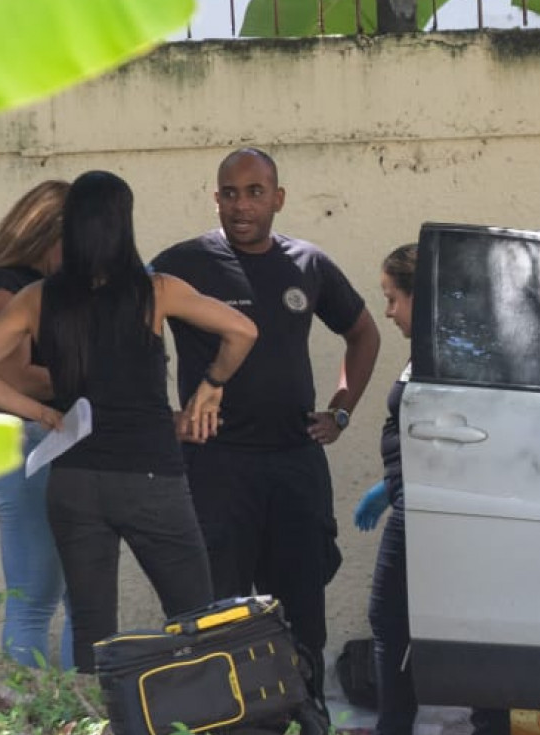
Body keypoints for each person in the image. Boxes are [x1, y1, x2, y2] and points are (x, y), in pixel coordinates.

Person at [0, 171, 257, 673]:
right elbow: (242, 329)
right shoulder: (155, 290)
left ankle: (97, 734)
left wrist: (43, 413)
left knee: (93, 629)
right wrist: (212, 386)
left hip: (74, 479)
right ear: (123, 225)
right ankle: (208, 727)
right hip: (150, 476)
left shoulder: (38, 297)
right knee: (196, 615)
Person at [151, 147, 381, 665]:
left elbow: (363, 333)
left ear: (278, 198)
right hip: (216, 464)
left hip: (293, 462)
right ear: (216, 200)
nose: (242, 206)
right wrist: (162, 417)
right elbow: (126, 337)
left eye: (255, 193)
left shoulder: (308, 263)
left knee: (301, 607)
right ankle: (224, 731)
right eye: (230, 194)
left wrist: (341, 410)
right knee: (216, 612)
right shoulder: (181, 264)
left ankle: (309, 725)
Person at [361, 242, 517, 735]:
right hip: (415, 497)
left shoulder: (449, 354)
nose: (387, 312)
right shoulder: (435, 349)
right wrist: (387, 484)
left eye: (391, 298)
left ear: (417, 298)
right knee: (444, 620)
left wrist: (401, 488)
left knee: (393, 620)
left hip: (431, 504)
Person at [0, 178, 74, 669]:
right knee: (34, 601)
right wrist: (97, 377)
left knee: (74, 599)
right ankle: (33, 725)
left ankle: (71, 721)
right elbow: (13, 376)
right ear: (46, 232)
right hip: (26, 445)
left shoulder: (39, 285)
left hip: (45, 446)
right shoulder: (5, 286)